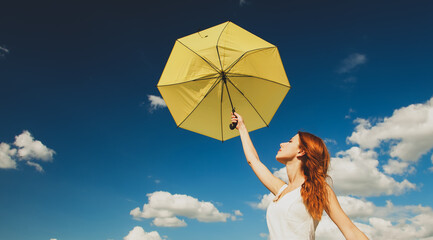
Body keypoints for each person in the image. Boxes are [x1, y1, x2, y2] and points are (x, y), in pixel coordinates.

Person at [231, 112, 369, 240]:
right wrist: (242, 127)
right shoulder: (281, 190)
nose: (281, 143)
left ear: (302, 151)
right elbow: (253, 161)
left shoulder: (318, 188)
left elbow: (350, 230)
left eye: (290, 141)